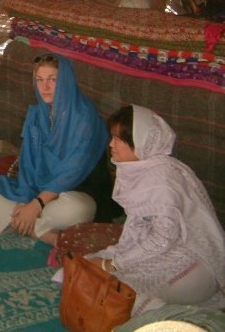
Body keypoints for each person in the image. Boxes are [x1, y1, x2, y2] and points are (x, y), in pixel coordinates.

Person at [86, 105, 225, 316]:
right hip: (167, 250)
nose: (111, 144)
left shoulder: (161, 182)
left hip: (193, 265)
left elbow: (162, 239)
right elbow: (140, 229)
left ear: (140, 142)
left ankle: (172, 320)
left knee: (120, 291)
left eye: (119, 139)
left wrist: (112, 264)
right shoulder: (141, 169)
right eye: (112, 137)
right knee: (89, 268)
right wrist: (111, 261)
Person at [0, 53, 120, 246]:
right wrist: (27, 200)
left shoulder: (84, 118)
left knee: (76, 209)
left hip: (77, 192)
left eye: (52, 80)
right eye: (40, 80)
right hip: (39, 191)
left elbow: (72, 172)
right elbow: (28, 162)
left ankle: (23, 220)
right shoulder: (38, 114)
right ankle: (40, 231)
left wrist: (36, 205)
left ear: (65, 81)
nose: (45, 87)